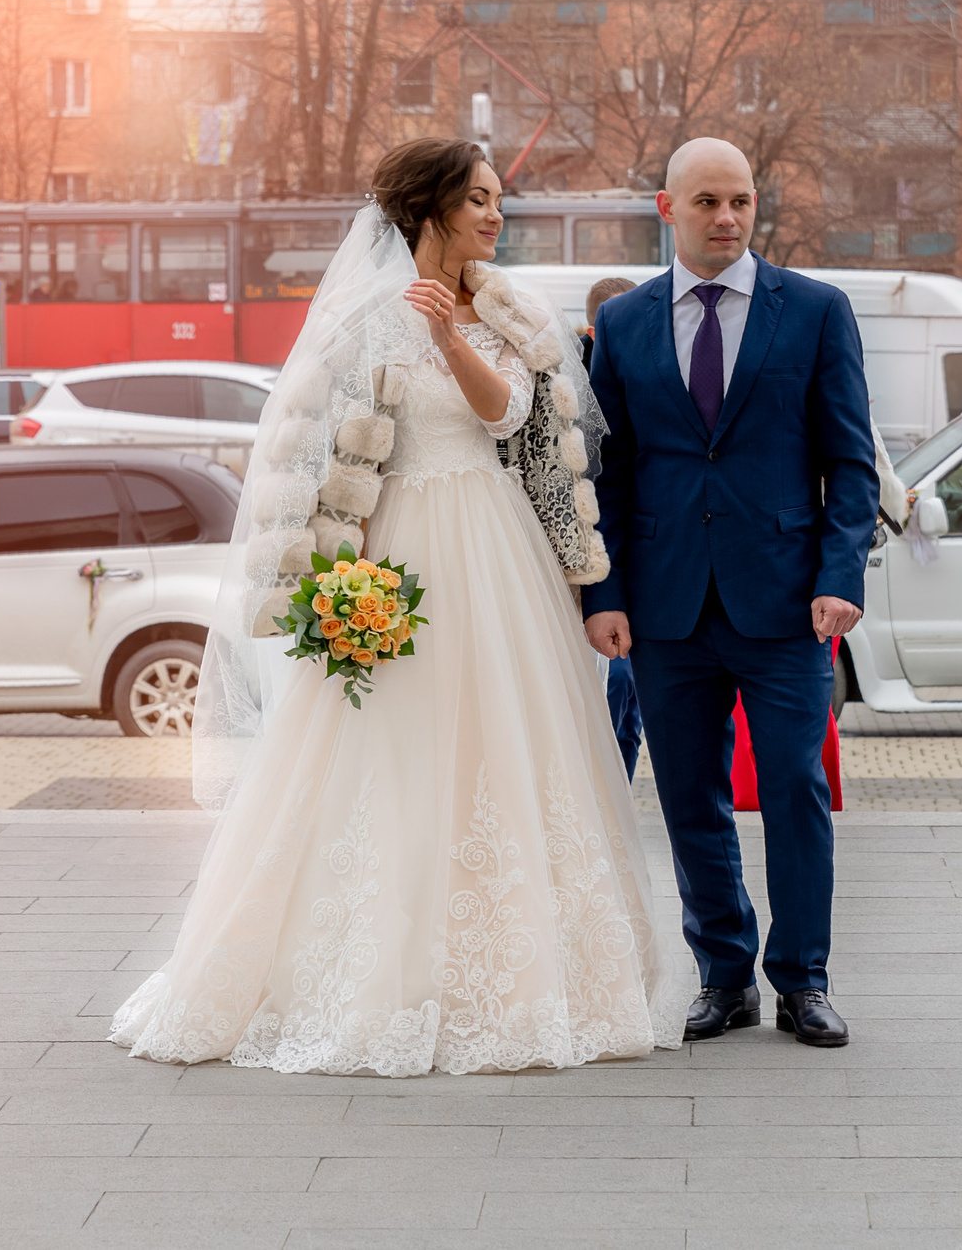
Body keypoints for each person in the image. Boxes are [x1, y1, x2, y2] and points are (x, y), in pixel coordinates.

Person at [110, 138, 693, 1076]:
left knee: (511, 743)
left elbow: (511, 419)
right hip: (395, 556)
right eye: (481, 201)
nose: (497, 217)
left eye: (500, 200)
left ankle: (527, 976)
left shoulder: (509, 309)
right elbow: (296, 466)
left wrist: (449, 336)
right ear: (430, 211)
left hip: (499, 550)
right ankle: (359, 971)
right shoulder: (357, 323)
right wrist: (320, 581)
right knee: (386, 752)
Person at [583, 137, 880, 1049]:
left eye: (742, 201)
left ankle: (803, 979)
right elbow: (608, 472)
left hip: (789, 603)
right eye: (707, 201)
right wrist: (605, 593)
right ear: (667, 208)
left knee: (793, 788)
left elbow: (851, 462)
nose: (728, 217)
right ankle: (723, 974)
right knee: (688, 796)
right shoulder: (626, 322)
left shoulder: (818, 311)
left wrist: (839, 577)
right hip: (667, 610)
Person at [581, 275, 645, 781]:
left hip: (638, 558)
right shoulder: (570, 383)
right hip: (589, 555)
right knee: (610, 686)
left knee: (628, 700)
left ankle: (618, 787)